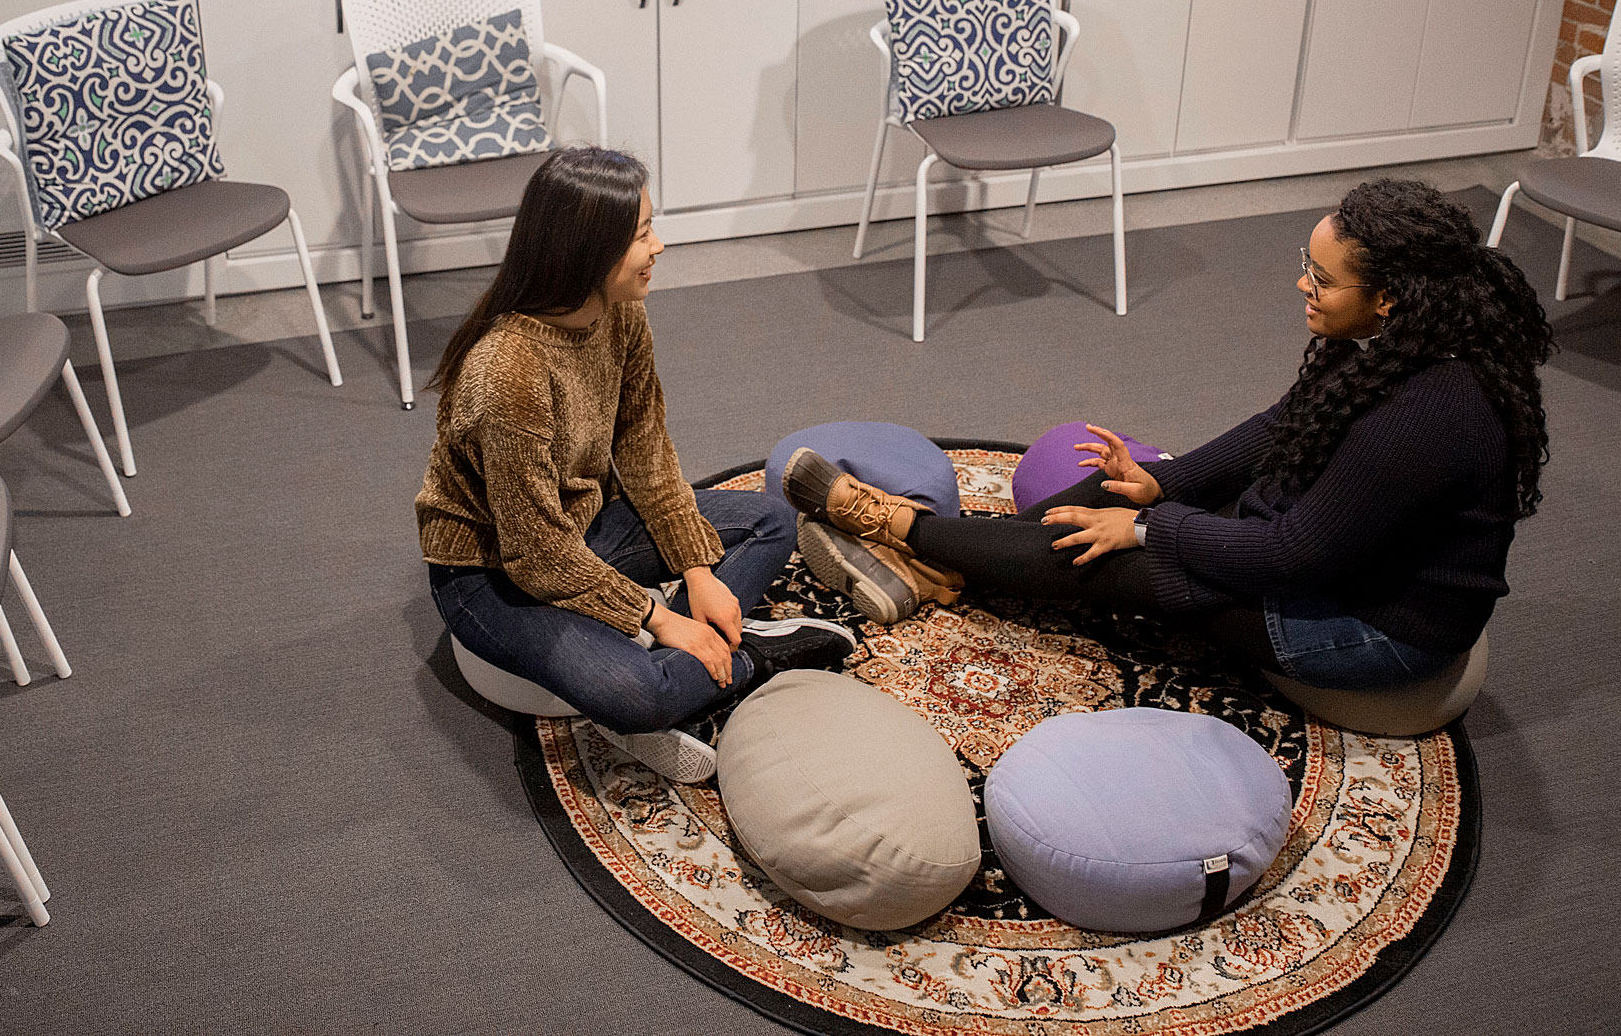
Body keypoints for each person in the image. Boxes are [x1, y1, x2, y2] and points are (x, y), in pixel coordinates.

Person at [788, 177, 1552, 691]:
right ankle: (941, 566)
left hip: (1373, 626)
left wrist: (1152, 530)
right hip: (1341, 559)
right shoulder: (1400, 344)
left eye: (1321, 280)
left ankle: (899, 527)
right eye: (1305, 266)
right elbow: (1281, 425)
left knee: (1129, 563)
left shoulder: (1429, 413)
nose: (1301, 286)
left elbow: (1292, 555)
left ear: (1389, 297)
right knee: (1117, 493)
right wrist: (1163, 486)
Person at [419, 146, 854, 783]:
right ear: (584, 250)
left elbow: (644, 447)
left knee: (771, 521)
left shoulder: (621, 313)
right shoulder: (507, 374)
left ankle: (684, 659)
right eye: (642, 232)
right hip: (489, 574)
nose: (659, 246)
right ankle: (753, 656)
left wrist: (698, 570)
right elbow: (534, 553)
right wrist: (657, 617)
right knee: (635, 696)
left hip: (583, 531)